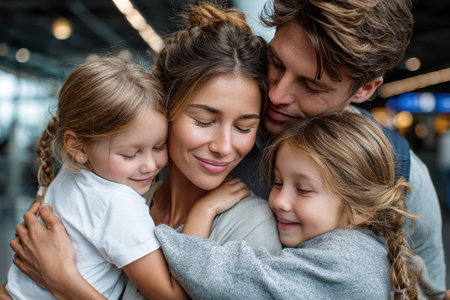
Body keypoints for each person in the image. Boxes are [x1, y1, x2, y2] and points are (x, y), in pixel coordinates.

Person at [4, 3, 282, 299]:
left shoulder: (253, 226)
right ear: (164, 110)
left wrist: (66, 284)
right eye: (204, 121)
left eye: (244, 127)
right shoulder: (132, 195)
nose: (224, 147)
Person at [229, 0, 445, 291]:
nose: (277, 94)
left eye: (311, 85)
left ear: (365, 88)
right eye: (276, 63)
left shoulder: (400, 174)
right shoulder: (212, 134)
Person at [154, 111, 445, 299]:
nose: (278, 201)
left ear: (361, 209)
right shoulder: (376, 253)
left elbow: (221, 279)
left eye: (303, 190)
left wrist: (201, 211)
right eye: (277, 183)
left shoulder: (345, 265)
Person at [2, 57, 195, 299]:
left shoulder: (73, 172)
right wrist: (204, 210)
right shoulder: (118, 202)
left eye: (159, 146)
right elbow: (173, 296)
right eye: (130, 154)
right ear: (78, 148)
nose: (150, 165)